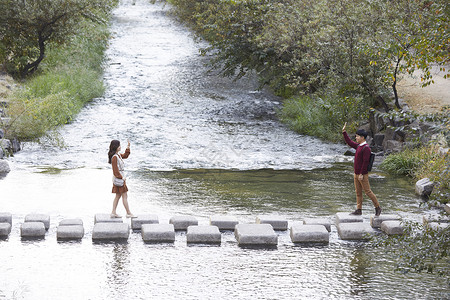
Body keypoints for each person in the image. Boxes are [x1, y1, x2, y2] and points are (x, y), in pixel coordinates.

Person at [342, 123, 381, 216]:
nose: (356, 138)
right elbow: (350, 143)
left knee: (368, 192)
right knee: (358, 193)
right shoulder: (359, 146)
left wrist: (361, 174)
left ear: (362, 137)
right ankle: (359, 210)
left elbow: (365, 162)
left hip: (362, 174)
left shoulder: (366, 148)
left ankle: (378, 207)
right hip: (356, 173)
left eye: (357, 136)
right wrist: (344, 132)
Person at [108, 139, 136, 218]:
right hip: (120, 179)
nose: (120, 147)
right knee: (124, 196)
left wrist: (128, 147)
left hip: (120, 178)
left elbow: (126, 156)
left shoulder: (118, 155)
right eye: (119, 145)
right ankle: (128, 213)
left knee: (118, 196)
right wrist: (122, 178)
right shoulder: (114, 157)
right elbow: (115, 171)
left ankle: (113, 212)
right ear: (115, 147)